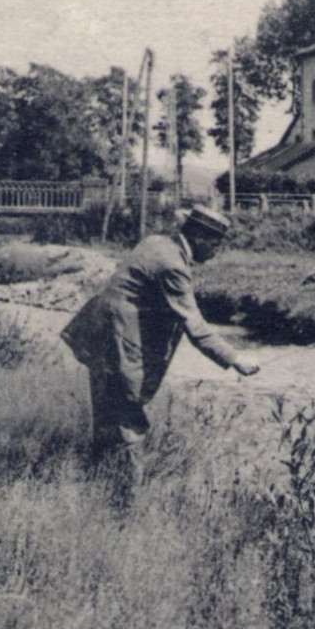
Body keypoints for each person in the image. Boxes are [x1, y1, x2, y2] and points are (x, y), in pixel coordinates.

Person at [61, 204, 258, 501]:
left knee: (107, 418)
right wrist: (236, 359)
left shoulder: (155, 242)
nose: (217, 251)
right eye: (216, 243)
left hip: (98, 336)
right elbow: (195, 326)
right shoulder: (173, 266)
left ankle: (97, 492)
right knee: (128, 421)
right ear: (200, 238)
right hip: (116, 343)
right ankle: (124, 503)